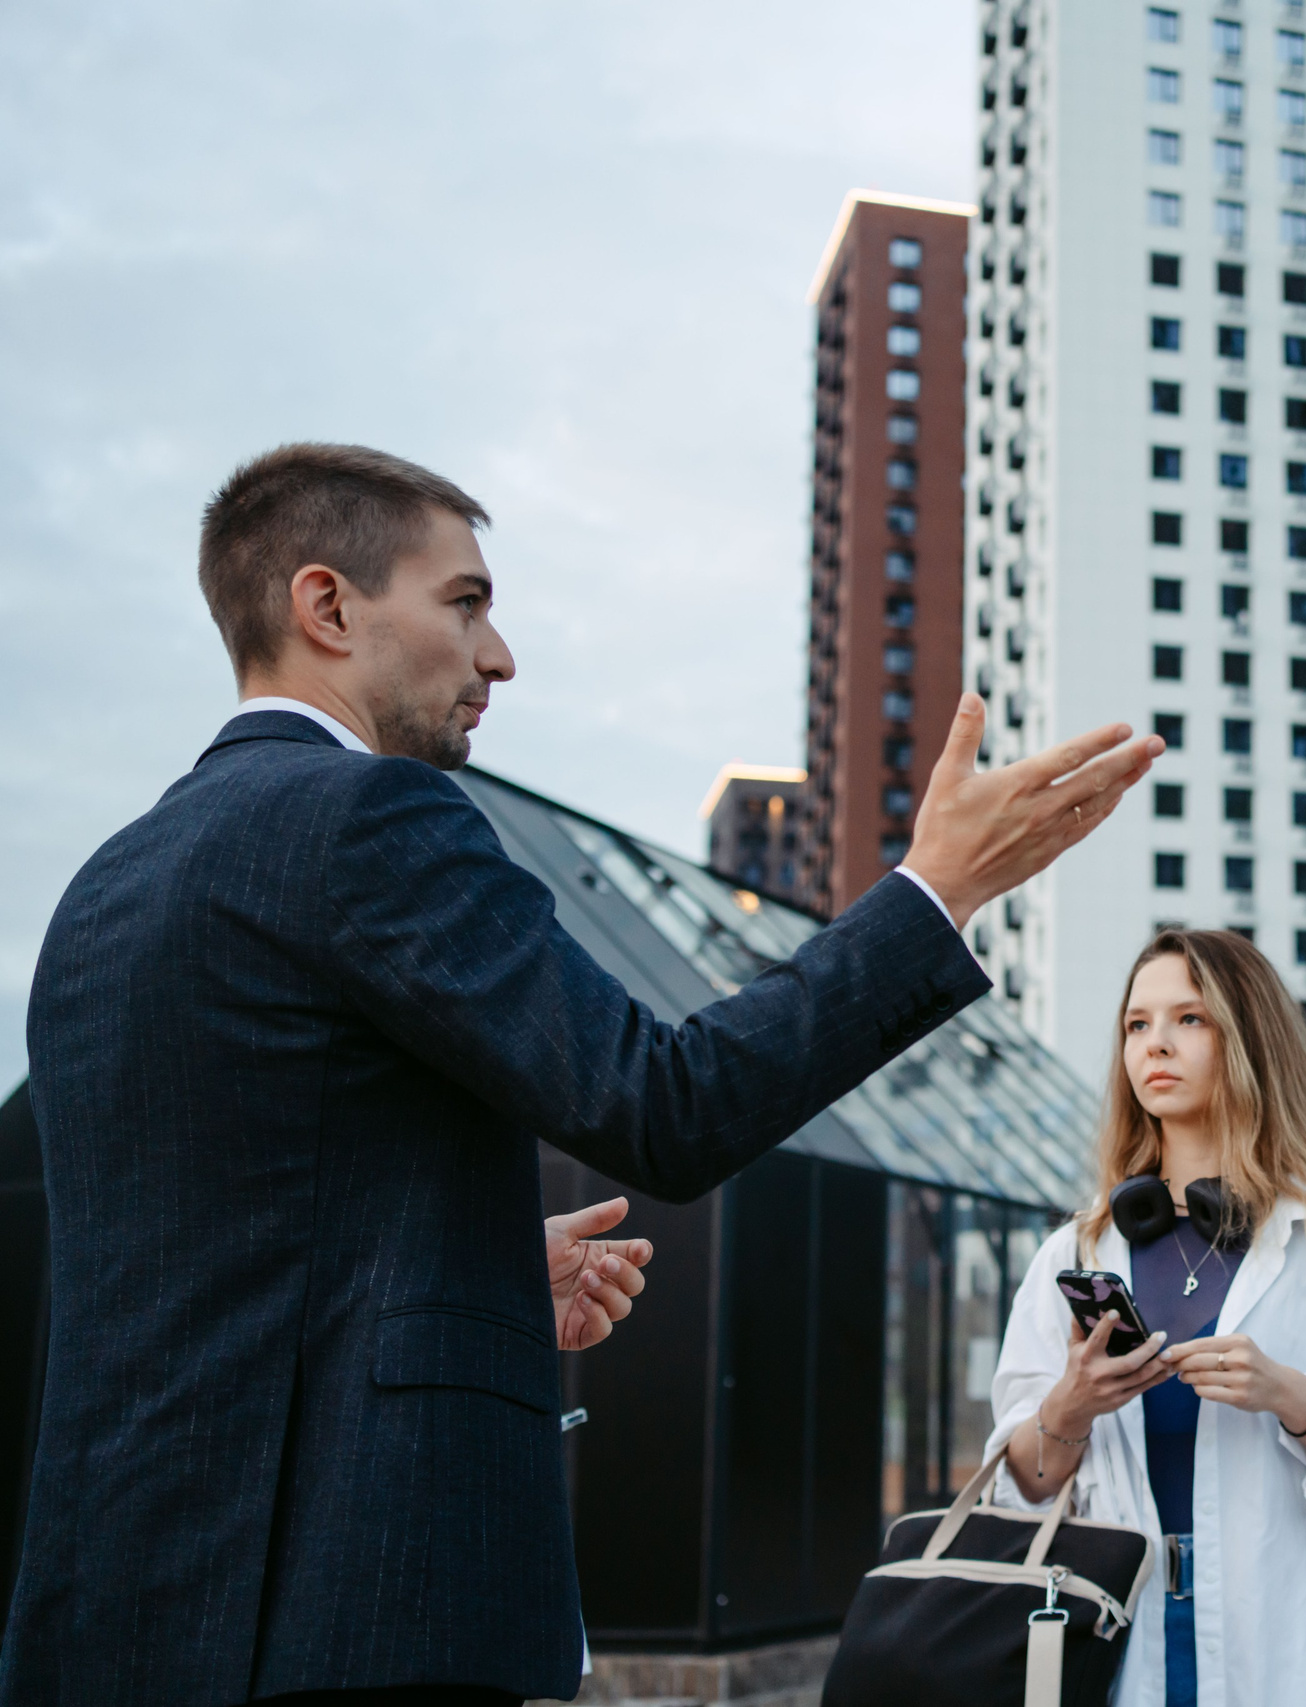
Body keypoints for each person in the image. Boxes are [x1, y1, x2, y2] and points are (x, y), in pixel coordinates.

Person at [3, 444, 1158, 1707]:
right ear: (325, 607)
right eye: (465, 603)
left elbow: (212, 1250)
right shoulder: (369, 820)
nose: (498, 655)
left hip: (111, 1619)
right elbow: (665, 1104)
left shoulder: (99, 895)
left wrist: (479, 1272)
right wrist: (938, 892)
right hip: (352, 1625)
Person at [981, 929, 1306, 1707]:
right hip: (1118, 1640)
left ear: (1249, 1038)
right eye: (1137, 1024)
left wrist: (1295, 1396)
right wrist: (1072, 1405)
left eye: (1189, 1018)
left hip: (1282, 1644)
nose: (1155, 1043)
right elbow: (1022, 1484)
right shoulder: (1076, 1249)